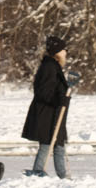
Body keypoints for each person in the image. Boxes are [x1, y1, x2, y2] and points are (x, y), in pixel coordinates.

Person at [22, 35, 75, 178]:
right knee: (47, 144)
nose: (66, 52)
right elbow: (43, 92)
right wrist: (61, 99)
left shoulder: (53, 66)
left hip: (54, 113)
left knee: (58, 145)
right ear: (57, 51)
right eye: (64, 50)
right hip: (47, 114)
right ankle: (39, 172)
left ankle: (62, 176)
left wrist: (64, 96)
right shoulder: (49, 67)